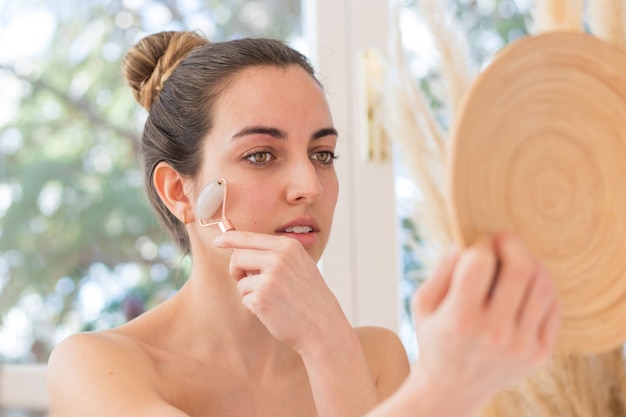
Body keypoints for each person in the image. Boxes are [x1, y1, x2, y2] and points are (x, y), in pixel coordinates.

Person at [46, 30, 560, 417]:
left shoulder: (377, 356)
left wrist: (331, 347)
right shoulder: (97, 368)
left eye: (323, 154)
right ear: (180, 191)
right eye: (261, 155)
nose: (309, 186)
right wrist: (442, 389)